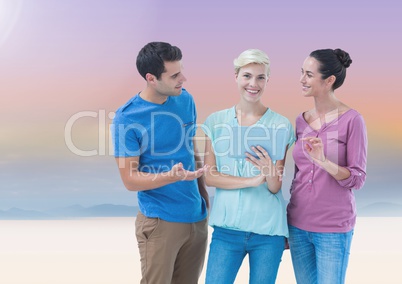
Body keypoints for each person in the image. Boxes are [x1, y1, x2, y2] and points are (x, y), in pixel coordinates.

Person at [112, 42, 209, 284]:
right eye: (174, 75)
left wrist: (204, 195)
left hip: (196, 218)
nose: (183, 79)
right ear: (151, 78)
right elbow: (130, 180)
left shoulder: (185, 100)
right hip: (160, 222)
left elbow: (190, 149)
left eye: (181, 71)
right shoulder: (127, 118)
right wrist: (170, 177)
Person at [202, 49, 295, 284]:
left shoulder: (280, 125)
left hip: (268, 233)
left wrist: (268, 171)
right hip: (226, 232)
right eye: (247, 76)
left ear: (267, 81)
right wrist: (251, 181)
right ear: (236, 76)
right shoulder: (216, 122)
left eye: (260, 77)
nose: (253, 83)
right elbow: (210, 177)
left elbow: (275, 187)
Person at [287, 48, 368, 284]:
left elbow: (357, 178)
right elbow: (298, 175)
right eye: (302, 72)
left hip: (333, 227)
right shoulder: (301, 120)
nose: (302, 80)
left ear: (329, 80)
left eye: (309, 75)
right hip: (297, 225)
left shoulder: (353, 120)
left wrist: (324, 161)